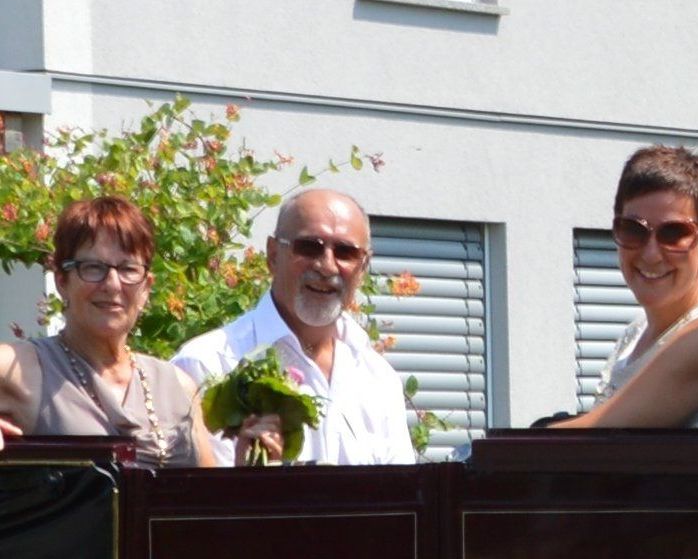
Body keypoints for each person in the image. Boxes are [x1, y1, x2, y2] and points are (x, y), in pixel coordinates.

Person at [172, 187, 420, 463]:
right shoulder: (206, 365)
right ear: (273, 255)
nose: (327, 266)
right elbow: (199, 501)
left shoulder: (378, 378)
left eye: (345, 252)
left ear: (363, 267)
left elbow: (405, 495)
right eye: (309, 247)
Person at [555, 146, 698, 430]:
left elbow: (588, 439)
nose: (651, 254)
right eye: (633, 230)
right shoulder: (636, 333)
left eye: (674, 233)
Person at [0, 198, 223, 465]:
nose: (112, 284)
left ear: (146, 288)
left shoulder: (180, 387)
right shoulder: (21, 369)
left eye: (128, 269)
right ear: (61, 280)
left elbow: (209, 500)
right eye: (93, 268)